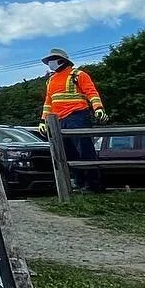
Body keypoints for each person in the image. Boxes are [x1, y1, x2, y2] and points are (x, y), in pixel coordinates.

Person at [37, 47, 107, 191]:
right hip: (57, 120)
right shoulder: (51, 80)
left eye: (52, 60)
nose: (50, 63)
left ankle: (94, 185)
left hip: (77, 115)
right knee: (67, 153)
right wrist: (43, 121)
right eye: (49, 61)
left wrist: (98, 108)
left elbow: (91, 92)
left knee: (85, 150)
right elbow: (48, 102)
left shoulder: (78, 75)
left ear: (61, 60)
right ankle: (79, 183)